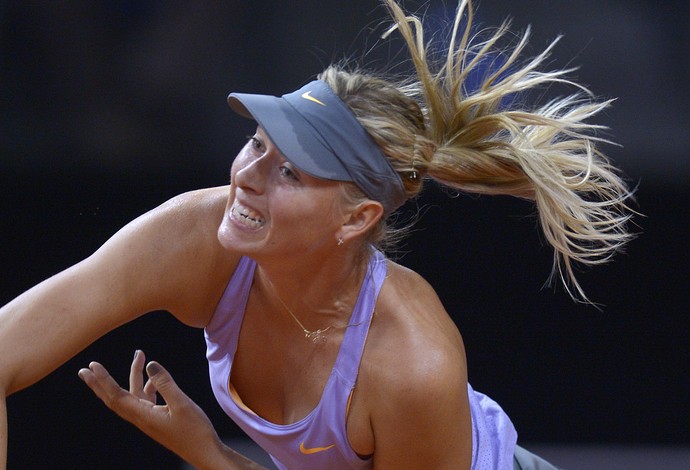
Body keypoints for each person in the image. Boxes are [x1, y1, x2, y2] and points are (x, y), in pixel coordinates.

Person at [0, 0, 634, 468]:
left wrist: (211, 456)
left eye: (289, 173)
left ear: (356, 218)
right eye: (255, 142)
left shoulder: (412, 364)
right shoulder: (198, 234)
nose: (246, 175)